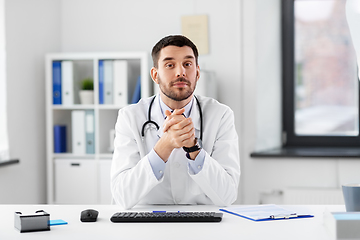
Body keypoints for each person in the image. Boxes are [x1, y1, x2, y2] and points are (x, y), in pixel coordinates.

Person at [111, 35, 240, 209]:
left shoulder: (221, 115)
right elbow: (122, 196)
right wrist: (164, 146)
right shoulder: (130, 117)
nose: (181, 72)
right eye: (170, 65)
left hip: (203, 224)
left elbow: (228, 195)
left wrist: (194, 148)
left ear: (198, 72)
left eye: (187, 64)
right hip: (147, 224)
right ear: (155, 75)